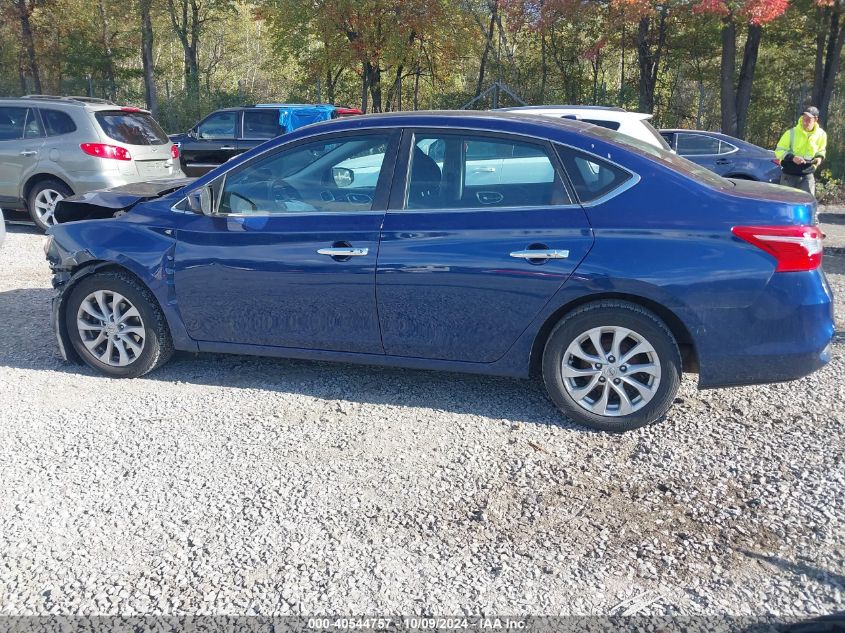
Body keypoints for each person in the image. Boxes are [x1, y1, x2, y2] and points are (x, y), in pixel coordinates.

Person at [774, 106, 828, 196]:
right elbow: (778, 150)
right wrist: (792, 158)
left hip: (807, 176)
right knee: (787, 204)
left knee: (807, 204)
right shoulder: (791, 132)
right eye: (804, 119)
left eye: (808, 120)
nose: (805, 122)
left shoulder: (821, 134)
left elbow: (821, 150)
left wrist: (819, 159)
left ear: (816, 119)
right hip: (789, 175)